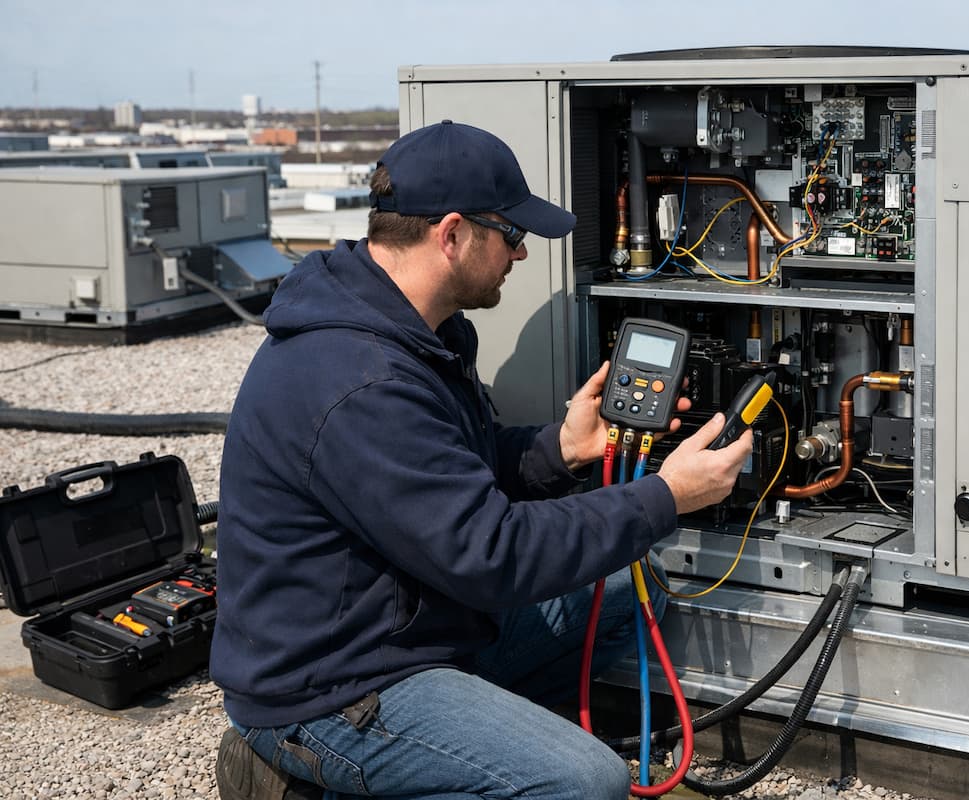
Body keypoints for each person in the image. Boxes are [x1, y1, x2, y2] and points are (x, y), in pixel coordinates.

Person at [212, 119, 753, 800]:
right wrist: (665, 497)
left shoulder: (418, 329)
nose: (521, 253)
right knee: (588, 782)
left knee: (625, 590)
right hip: (331, 685)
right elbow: (493, 554)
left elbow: (455, 470)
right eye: (513, 234)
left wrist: (562, 447)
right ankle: (316, 771)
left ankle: (458, 758)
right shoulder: (360, 380)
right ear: (452, 234)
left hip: (411, 624)